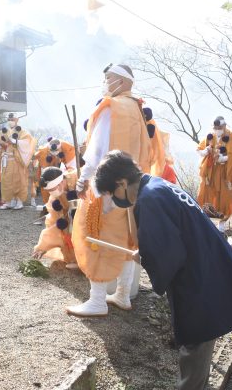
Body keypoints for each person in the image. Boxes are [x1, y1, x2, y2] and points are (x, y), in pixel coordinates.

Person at [94, 150, 232, 390]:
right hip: (209, 268)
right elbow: (170, 240)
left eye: (112, 194)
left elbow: (168, 256)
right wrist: (147, 253)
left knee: (194, 350)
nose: (113, 201)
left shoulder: (149, 200)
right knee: (199, 350)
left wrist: (147, 258)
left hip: (198, 282)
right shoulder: (158, 185)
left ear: (121, 183)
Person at [68, 63, 166, 317]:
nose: (105, 82)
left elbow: (96, 151)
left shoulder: (110, 107)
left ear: (120, 81)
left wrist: (83, 181)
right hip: (133, 188)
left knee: (97, 236)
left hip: (106, 186)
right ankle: (122, 293)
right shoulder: (138, 109)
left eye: (108, 78)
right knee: (127, 237)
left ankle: (97, 300)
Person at [196, 116, 232, 221]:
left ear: (225, 126)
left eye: (219, 128)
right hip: (210, 171)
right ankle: (205, 219)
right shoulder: (210, 136)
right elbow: (200, 149)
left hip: (225, 172)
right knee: (205, 194)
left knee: (224, 197)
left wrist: (225, 158)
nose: (217, 130)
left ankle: (222, 224)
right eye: (215, 128)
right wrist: (205, 151)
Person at [32, 166, 78, 268]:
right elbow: (53, 221)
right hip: (69, 219)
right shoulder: (54, 196)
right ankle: (74, 258)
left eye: (53, 190)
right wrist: (42, 247)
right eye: (50, 191)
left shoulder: (77, 178)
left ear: (60, 182)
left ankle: (85, 259)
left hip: (84, 215)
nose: (52, 193)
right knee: (63, 228)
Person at [0, 113, 35, 210]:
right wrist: (0, 143)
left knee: (18, 181)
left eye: (12, 119)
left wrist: (16, 142)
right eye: (9, 119)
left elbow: (28, 142)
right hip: (6, 160)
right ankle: (8, 201)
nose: (10, 121)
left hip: (16, 161)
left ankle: (19, 201)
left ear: (16, 120)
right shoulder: (4, 131)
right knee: (6, 181)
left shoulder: (22, 132)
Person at [33, 137, 77, 208]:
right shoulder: (44, 151)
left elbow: (72, 169)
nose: (54, 153)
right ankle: (48, 204)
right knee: (47, 182)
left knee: (69, 181)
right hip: (49, 169)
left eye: (56, 150)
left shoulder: (68, 149)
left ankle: (65, 205)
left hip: (65, 172)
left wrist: (64, 177)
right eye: (52, 151)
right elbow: (45, 172)